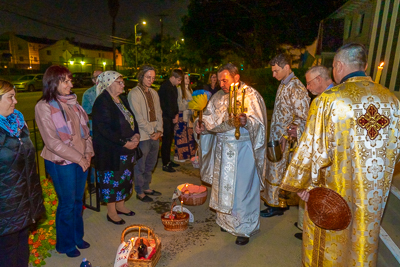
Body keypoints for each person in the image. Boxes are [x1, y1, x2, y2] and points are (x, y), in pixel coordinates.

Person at [280, 43, 400, 266]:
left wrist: (303, 185)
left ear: (338, 65)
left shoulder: (329, 100)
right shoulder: (392, 101)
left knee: (328, 248)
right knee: (362, 241)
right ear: (364, 66)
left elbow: (312, 149)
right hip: (373, 195)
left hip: (334, 193)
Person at [195, 63, 267, 246]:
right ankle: (226, 222)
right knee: (225, 189)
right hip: (223, 150)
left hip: (243, 151)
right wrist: (200, 124)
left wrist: (246, 122)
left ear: (236, 77)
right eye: (219, 80)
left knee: (242, 190)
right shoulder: (218, 97)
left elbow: (259, 123)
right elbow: (209, 119)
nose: (221, 84)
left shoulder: (250, 95)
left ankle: (244, 228)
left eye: (224, 80)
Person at [35, 65, 93, 258]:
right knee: (67, 203)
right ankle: (65, 244)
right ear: (53, 82)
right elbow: (52, 142)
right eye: (66, 81)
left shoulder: (74, 103)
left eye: (70, 80)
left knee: (78, 201)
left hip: (81, 160)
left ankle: (77, 237)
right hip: (61, 162)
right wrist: (80, 158)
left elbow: (86, 133)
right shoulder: (43, 106)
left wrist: (88, 153)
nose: (71, 84)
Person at [0, 80, 45, 267]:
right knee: (7, 252)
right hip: (4, 207)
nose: (15, 101)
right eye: (10, 97)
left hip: (23, 200)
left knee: (21, 248)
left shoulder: (18, 122)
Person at [261, 53, 310, 218]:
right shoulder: (284, 84)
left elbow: (303, 117)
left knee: (279, 171)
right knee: (274, 169)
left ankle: (277, 204)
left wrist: (288, 135)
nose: (273, 75)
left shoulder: (297, 88)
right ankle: (276, 201)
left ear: (286, 67)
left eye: (276, 71)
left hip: (285, 141)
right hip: (276, 136)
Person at [92, 71, 140, 223]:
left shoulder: (122, 99)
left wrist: (136, 134)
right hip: (111, 150)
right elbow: (104, 129)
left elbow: (132, 119)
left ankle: (121, 205)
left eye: (122, 81)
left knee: (124, 179)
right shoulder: (102, 102)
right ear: (109, 84)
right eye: (119, 82)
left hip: (126, 147)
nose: (123, 85)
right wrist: (124, 142)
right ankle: (111, 212)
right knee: (112, 181)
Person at [293, 65, 334, 240]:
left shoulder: (332, 101)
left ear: (318, 79)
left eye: (309, 83)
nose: (307, 88)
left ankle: (317, 235)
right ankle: (311, 232)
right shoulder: (319, 100)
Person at [128, 65, 163, 203]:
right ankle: (139, 191)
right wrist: (152, 131)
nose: (151, 80)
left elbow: (159, 112)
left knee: (151, 163)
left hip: (155, 135)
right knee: (140, 165)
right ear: (141, 76)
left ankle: (146, 187)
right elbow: (138, 117)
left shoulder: (154, 93)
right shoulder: (134, 93)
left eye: (153, 77)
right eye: (148, 77)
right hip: (143, 135)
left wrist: (159, 131)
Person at [158, 69, 183, 172]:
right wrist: (173, 116)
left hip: (172, 117)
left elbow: (175, 103)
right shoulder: (165, 87)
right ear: (173, 77)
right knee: (166, 142)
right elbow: (166, 105)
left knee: (169, 140)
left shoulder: (173, 87)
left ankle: (168, 160)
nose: (179, 82)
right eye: (178, 80)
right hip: (166, 118)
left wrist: (176, 114)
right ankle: (165, 163)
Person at [174, 73, 195, 162]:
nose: (188, 80)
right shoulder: (179, 90)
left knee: (189, 136)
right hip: (182, 115)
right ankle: (181, 155)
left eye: (188, 78)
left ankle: (189, 155)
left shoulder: (190, 90)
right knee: (182, 136)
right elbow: (179, 104)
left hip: (189, 116)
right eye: (186, 78)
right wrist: (188, 105)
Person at [82, 69, 103, 134]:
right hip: (96, 128)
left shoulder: (110, 91)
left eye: (102, 76)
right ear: (93, 80)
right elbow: (86, 113)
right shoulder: (88, 93)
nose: (101, 78)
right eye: (98, 76)